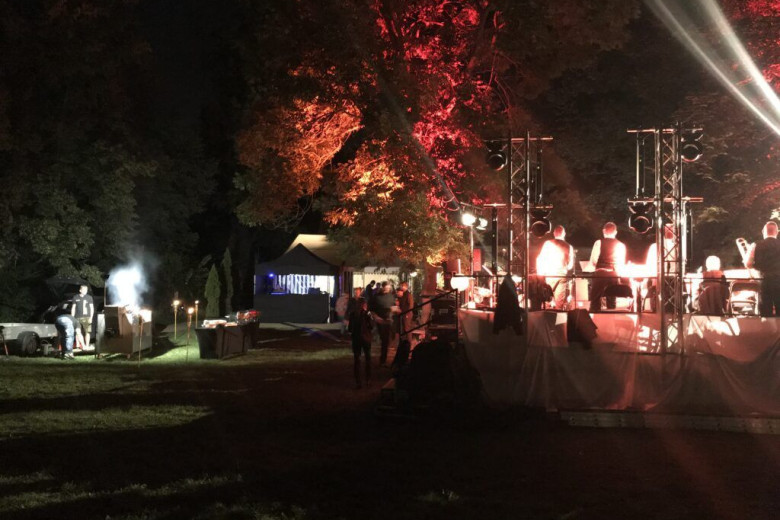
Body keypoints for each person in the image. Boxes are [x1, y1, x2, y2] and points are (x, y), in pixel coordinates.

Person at [588, 222, 627, 311]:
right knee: (612, 301)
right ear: (615, 232)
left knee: (595, 300)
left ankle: (595, 315)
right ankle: (611, 316)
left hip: (600, 274)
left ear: (603, 231)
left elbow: (594, 260)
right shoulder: (620, 245)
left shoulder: (599, 242)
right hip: (613, 274)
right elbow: (621, 263)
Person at [536, 225, 575, 309]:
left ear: (554, 233)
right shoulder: (569, 246)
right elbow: (570, 266)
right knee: (559, 302)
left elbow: (541, 259)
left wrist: (540, 275)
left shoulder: (548, 243)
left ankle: (546, 314)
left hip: (550, 275)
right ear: (564, 234)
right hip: (562, 275)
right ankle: (558, 314)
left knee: (547, 299)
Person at [747, 221, 780, 316]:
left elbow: (748, 264)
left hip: (764, 282)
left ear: (764, 232)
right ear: (777, 232)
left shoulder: (755, 245)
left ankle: (766, 325)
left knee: (765, 311)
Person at [347, 298, 373, 388]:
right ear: (364, 305)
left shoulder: (353, 314)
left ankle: (358, 381)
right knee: (368, 359)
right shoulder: (367, 314)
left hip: (356, 339)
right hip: (366, 339)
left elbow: (350, 329)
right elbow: (371, 326)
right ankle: (368, 379)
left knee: (357, 360)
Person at [372, 281, 396, 367]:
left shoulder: (391, 296)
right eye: (386, 288)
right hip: (379, 320)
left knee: (386, 340)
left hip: (388, 320)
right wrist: (376, 317)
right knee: (383, 339)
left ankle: (383, 360)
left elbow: (393, 306)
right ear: (382, 287)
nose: (387, 290)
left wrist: (393, 311)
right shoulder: (376, 297)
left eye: (389, 288)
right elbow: (371, 309)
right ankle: (382, 359)